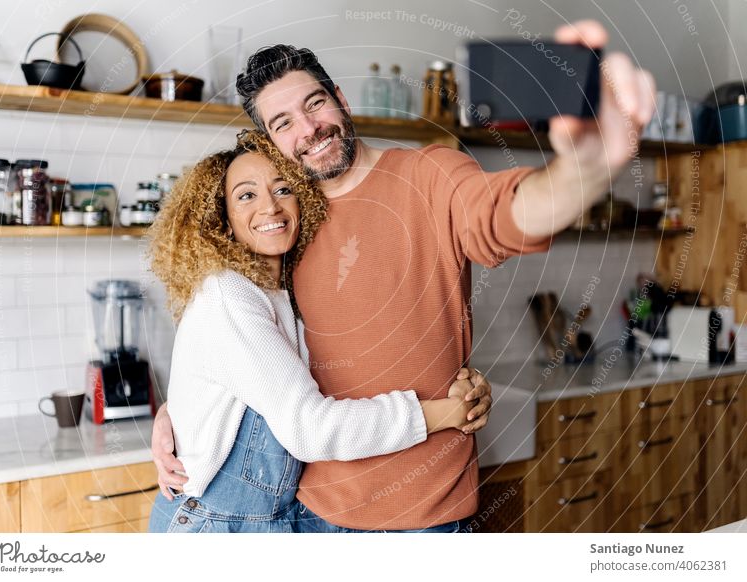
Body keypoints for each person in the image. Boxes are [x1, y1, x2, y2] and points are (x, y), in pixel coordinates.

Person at [153, 20, 656, 532]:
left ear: (341, 100)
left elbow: (502, 214)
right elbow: (244, 345)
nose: (307, 130)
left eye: (314, 104)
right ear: (270, 143)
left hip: (423, 518)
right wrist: (180, 412)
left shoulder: (430, 175)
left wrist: (586, 170)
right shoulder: (286, 227)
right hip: (308, 516)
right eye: (282, 123)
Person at [146, 130, 489, 533]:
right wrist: (440, 413)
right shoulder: (229, 294)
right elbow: (309, 429)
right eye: (246, 195)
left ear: (303, 198)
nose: (269, 206)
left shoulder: (281, 291)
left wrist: (175, 413)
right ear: (221, 218)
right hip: (215, 524)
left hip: (273, 518)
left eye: (283, 188)